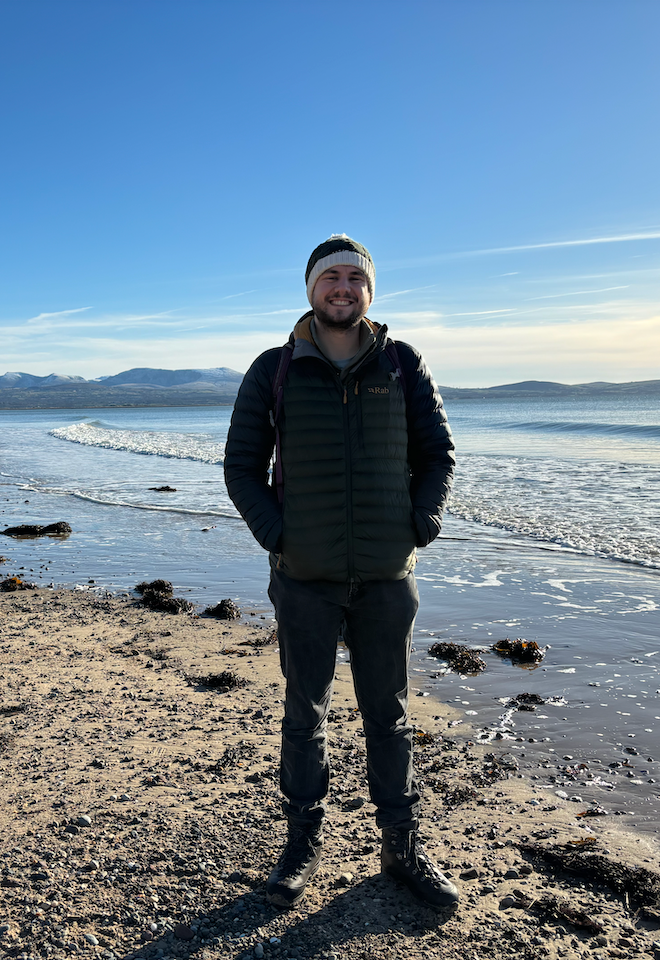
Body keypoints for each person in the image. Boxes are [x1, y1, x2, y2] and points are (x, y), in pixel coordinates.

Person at [224, 235, 458, 910]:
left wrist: (424, 521)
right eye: (331, 277)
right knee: (306, 714)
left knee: (389, 716)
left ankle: (402, 847)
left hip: (387, 577)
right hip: (304, 579)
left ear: (370, 291)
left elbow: (439, 455)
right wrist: (281, 535)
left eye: (356, 277)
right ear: (310, 289)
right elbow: (242, 468)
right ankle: (301, 844)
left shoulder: (403, 364)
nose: (343, 287)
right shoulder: (275, 368)